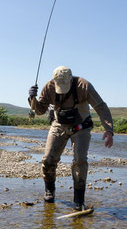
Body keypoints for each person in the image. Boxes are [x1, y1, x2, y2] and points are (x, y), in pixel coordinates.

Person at [28, 66, 114, 211]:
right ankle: (50, 191)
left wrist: (109, 130)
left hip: (81, 126)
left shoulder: (83, 85)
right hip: (59, 125)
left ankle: (79, 200)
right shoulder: (49, 87)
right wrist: (31, 98)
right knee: (48, 159)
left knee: (80, 161)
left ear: (70, 79)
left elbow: (101, 107)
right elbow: (40, 110)